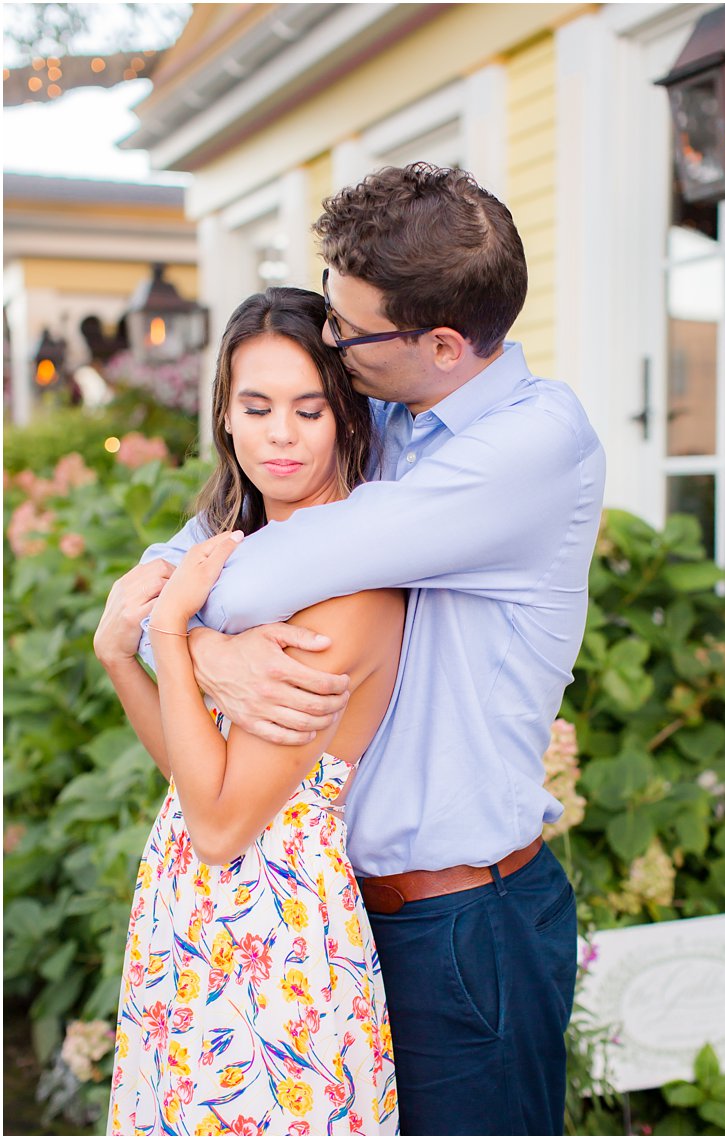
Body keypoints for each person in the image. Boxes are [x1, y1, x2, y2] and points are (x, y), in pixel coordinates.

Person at [124, 163, 607, 1134]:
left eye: (348, 329)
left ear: (439, 341)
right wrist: (197, 649)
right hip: (341, 908)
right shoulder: (385, 414)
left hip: (462, 925)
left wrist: (179, 626)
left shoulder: (527, 447)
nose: (332, 347)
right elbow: (177, 553)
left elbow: (239, 576)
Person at [95, 288, 403, 1134]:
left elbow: (227, 823)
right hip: (187, 914)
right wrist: (121, 656)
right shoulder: (232, 554)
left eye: (310, 408)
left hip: (277, 944)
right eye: (257, 406)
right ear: (225, 417)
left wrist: (168, 625)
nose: (281, 433)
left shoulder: (355, 583)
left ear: (346, 418)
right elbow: (190, 774)